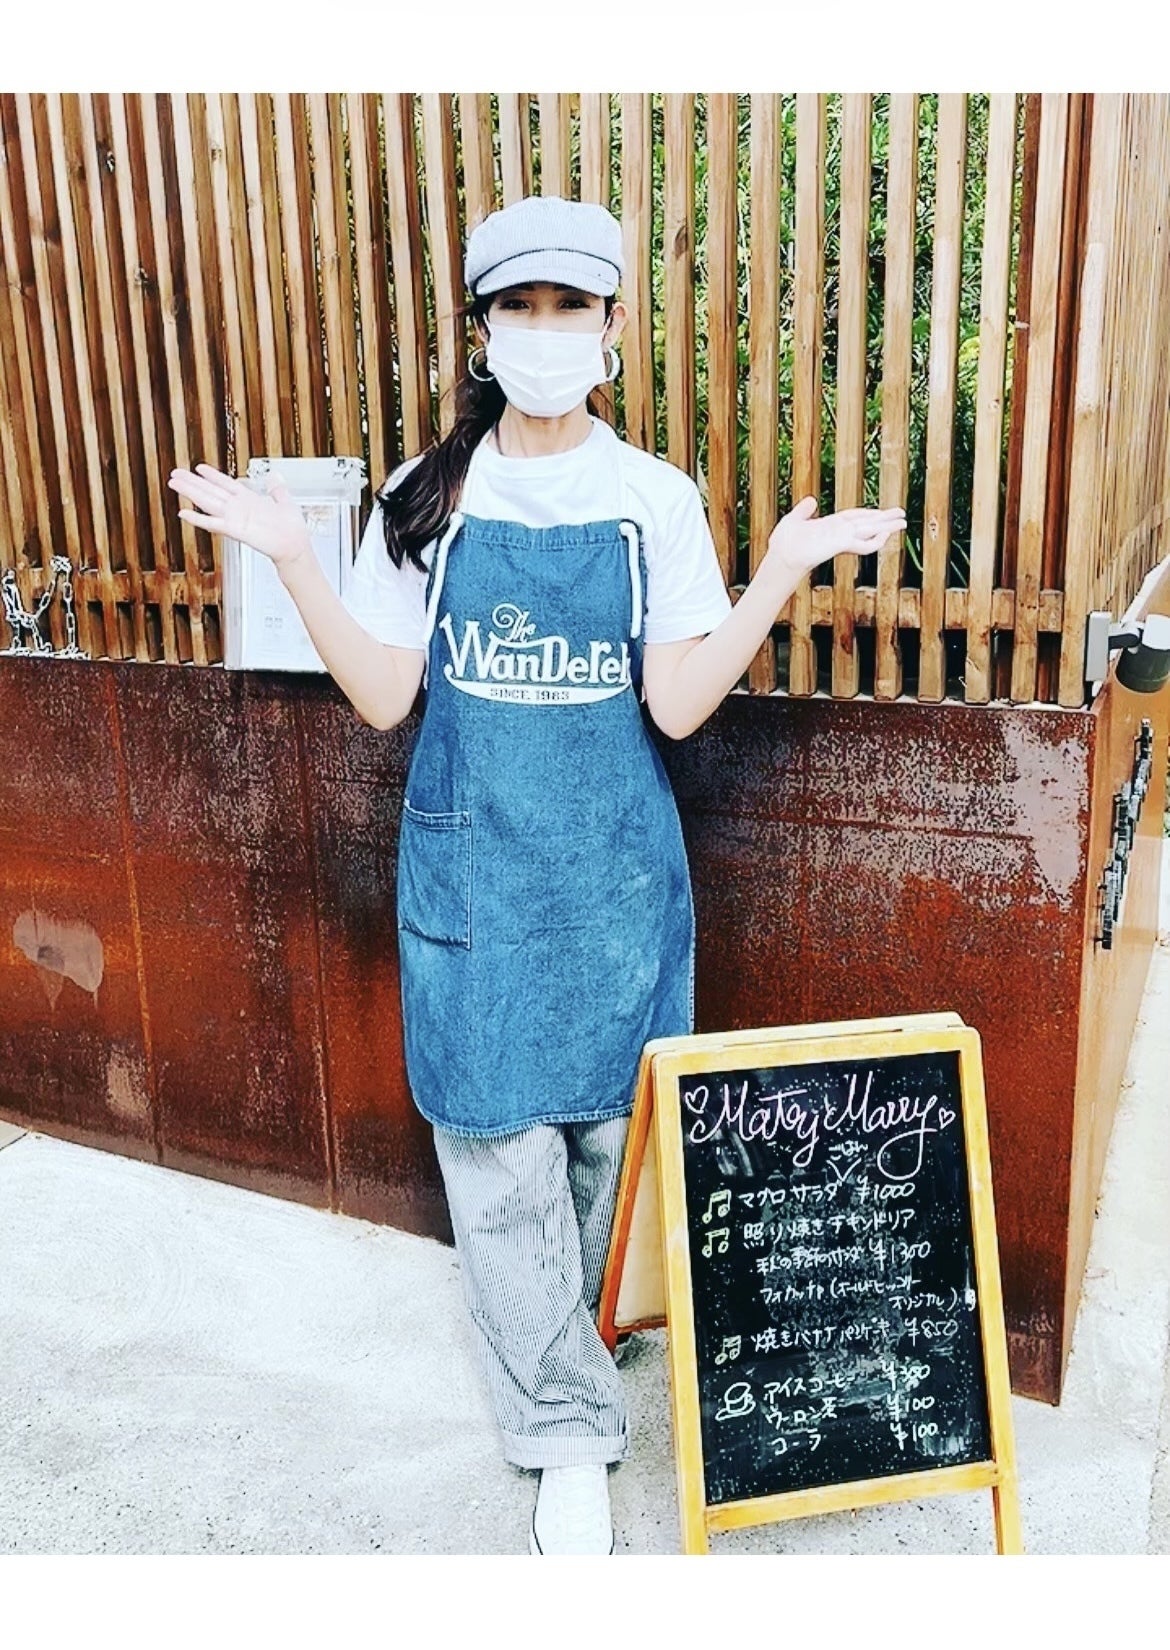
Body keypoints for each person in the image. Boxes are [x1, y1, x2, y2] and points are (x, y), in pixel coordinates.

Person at [167, 193, 905, 1556]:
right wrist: (296, 557)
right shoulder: (429, 497)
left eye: (573, 307)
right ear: (485, 329)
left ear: (612, 328)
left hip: (613, 885)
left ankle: (577, 1348)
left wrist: (777, 575)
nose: (548, 330)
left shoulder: (651, 500)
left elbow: (675, 705)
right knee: (498, 1161)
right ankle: (563, 1431)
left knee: (608, 1150)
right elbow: (384, 694)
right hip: (479, 885)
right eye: (523, 306)